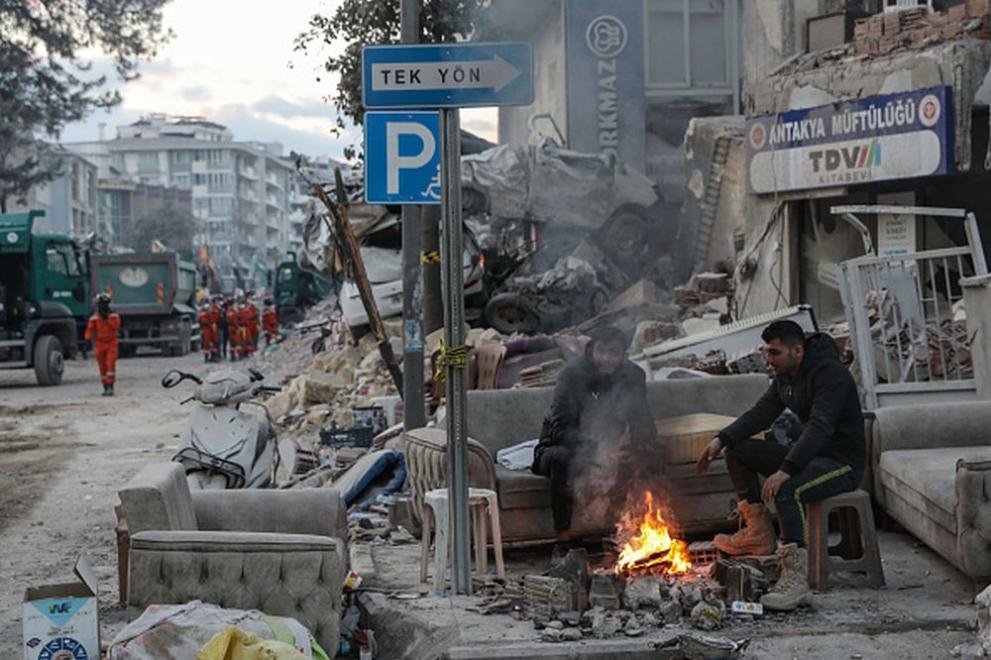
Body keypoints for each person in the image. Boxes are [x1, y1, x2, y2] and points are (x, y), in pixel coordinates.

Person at [695, 320, 865, 611]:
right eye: (765, 352)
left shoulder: (831, 375)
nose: (767, 360)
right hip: (809, 456)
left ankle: (796, 580)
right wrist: (721, 439)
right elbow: (761, 413)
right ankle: (759, 533)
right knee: (737, 451)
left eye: (773, 353)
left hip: (841, 463)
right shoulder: (785, 377)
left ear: (796, 350)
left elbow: (820, 427)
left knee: (788, 489)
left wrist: (786, 469)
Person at [531, 326, 656, 559]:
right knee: (563, 460)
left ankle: (630, 534)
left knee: (646, 456)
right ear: (591, 350)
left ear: (624, 355)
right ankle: (562, 542)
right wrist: (595, 451)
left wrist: (636, 448)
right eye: (601, 351)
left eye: (614, 352)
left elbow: (644, 422)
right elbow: (560, 428)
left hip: (610, 450)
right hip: (561, 447)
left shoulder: (633, 376)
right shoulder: (572, 375)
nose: (607, 359)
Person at [84, 292, 121, 396]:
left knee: (110, 365)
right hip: (99, 344)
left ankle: (110, 387)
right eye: (101, 303)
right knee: (102, 366)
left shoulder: (113, 315)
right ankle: (105, 387)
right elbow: (89, 329)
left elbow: (116, 327)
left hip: (112, 343)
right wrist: (87, 340)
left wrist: (107, 318)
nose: (102, 306)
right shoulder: (94, 317)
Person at [198, 297, 219, 362]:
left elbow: (216, 318)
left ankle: (214, 356)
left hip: (212, 328)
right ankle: (206, 358)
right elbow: (203, 320)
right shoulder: (202, 311)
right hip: (206, 329)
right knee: (206, 343)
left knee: (214, 342)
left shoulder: (212, 310)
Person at [226, 297, 241, 361]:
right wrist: (237, 327)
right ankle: (236, 356)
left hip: (229, 328)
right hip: (234, 328)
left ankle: (232, 356)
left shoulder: (228, 311)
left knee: (231, 343)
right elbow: (235, 320)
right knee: (236, 342)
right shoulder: (234, 311)